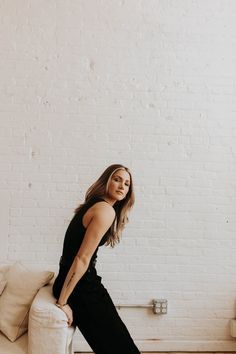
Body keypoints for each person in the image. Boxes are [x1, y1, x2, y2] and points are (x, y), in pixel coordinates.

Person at [52, 164, 140, 354]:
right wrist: (62, 302)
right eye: (117, 179)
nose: (122, 186)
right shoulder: (105, 211)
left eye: (126, 183)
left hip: (78, 284)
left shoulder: (95, 204)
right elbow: (81, 259)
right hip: (81, 289)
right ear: (106, 181)